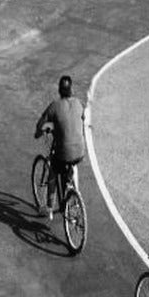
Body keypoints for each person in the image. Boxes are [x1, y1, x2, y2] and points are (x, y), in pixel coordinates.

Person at [34, 75, 87, 219]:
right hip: (80, 152)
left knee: (52, 170)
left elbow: (40, 126)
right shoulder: (78, 103)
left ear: (59, 90)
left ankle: (49, 207)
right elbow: (81, 117)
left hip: (64, 153)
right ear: (72, 89)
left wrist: (39, 132)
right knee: (72, 164)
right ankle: (75, 196)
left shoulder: (54, 106)